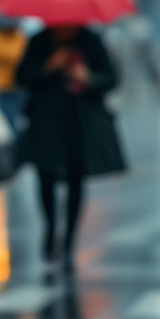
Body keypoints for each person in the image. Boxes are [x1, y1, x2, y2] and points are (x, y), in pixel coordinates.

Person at [16, 24, 126, 270]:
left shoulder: (91, 40)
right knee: (45, 177)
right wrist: (48, 66)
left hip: (80, 120)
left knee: (76, 179)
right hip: (46, 120)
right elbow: (21, 76)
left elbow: (110, 78)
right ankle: (51, 227)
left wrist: (87, 78)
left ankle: (68, 243)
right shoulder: (39, 41)